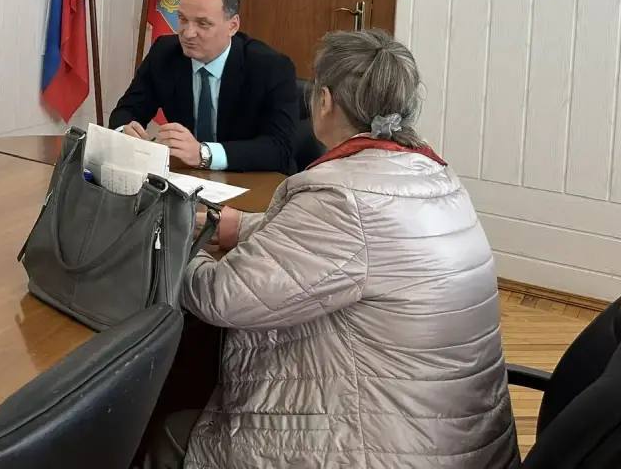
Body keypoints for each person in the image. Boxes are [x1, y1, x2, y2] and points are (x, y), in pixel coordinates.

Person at [145, 29, 518, 469]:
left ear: (324, 101)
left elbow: (221, 296)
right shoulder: (430, 174)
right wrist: (238, 226)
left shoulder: (340, 197)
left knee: (164, 424)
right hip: (453, 434)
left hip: (378, 445)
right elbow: (356, 244)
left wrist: (172, 242)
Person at [109, 0, 297, 172]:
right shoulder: (165, 53)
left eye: (203, 24)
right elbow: (127, 111)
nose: (188, 33)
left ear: (233, 26)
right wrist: (125, 133)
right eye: (183, 19)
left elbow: (280, 148)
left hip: (252, 179)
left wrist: (204, 153)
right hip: (187, 178)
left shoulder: (270, 67)